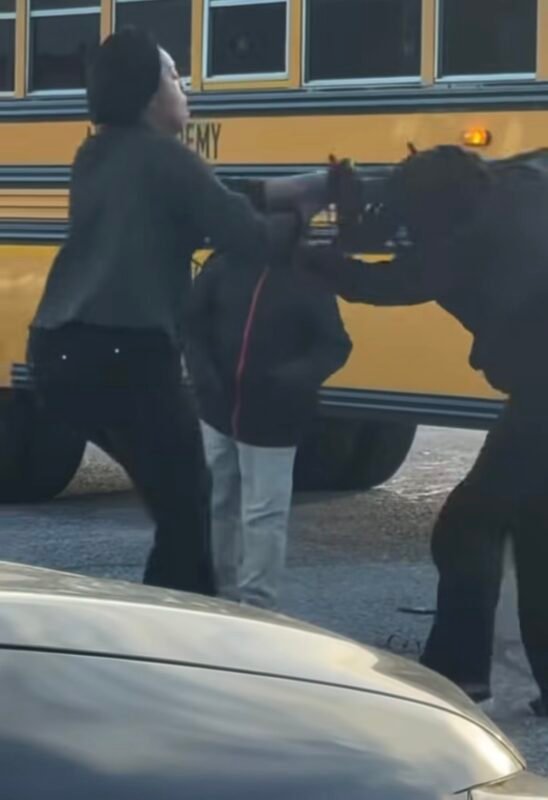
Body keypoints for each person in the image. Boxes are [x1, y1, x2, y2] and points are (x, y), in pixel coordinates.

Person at [27, 27, 333, 597]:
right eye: (173, 74)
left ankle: (178, 615)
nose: (184, 85)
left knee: (179, 504)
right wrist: (304, 212)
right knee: (188, 510)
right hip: (128, 353)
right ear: (149, 93)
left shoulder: (96, 153)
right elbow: (247, 235)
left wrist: (286, 190)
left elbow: (202, 195)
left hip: (56, 353)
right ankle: (174, 630)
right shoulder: (168, 159)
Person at [302, 145, 548, 715]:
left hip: (541, 399)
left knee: (465, 527)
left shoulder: (460, 248)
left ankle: (459, 675)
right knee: (535, 531)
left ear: (434, 214)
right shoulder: (519, 188)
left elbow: (376, 284)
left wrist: (304, 253)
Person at [187, 236, 352, 609]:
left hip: (275, 416)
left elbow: (335, 344)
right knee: (216, 502)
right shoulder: (222, 267)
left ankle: (257, 604)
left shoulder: (305, 277)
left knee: (264, 513)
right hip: (217, 409)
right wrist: (203, 376)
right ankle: (215, 594)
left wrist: (292, 379)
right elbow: (193, 326)